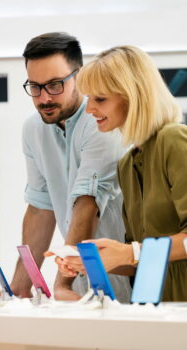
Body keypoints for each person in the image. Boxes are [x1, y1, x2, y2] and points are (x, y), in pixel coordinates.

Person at [58, 45, 187, 301]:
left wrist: (130, 252)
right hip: (153, 308)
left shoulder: (174, 141)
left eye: (100, 99)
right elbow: (140, 256)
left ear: (133, 96)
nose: (89, 109)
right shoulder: (128, 164)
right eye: (89, 98)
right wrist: (93, 261)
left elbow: (140, 252)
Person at [9, 32, 131, 302]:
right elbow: (41, 207)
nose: (44, 98)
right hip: (78, 278)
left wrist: (62, 283)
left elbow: (87, 206)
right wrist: (18, 286)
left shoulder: (101, 122)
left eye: (55, 85)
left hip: (126, 274)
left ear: (80, 76)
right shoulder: (33, 129)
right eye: (35, 87)